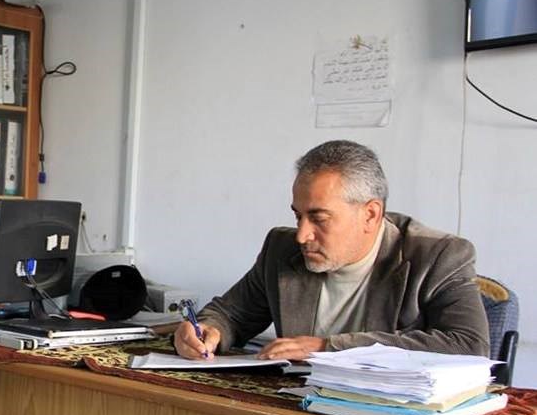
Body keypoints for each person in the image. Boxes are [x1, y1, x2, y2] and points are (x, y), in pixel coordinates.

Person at [174, 140, 489, 361]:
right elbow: (231, 314)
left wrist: (327, 348)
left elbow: (469, 346)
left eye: (319, 218)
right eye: (298, 216)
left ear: (370, 215)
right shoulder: (281, 251)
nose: (302, 235)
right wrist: (206, 330)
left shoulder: (439, 256)